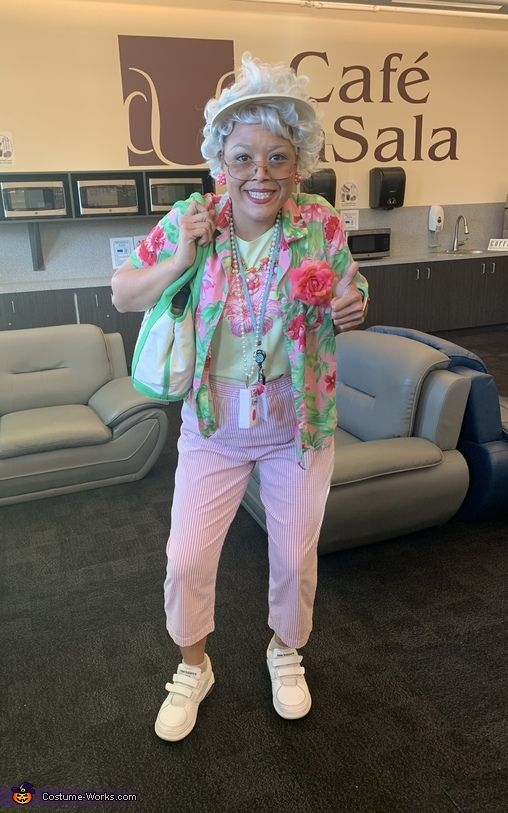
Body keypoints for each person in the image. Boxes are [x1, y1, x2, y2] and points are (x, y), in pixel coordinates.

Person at [111, 52, 369, 742]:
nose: (261, 173)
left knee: (293, 555)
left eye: (278, 157)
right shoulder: (195, 219)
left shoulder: (318, 221)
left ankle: (285, 648)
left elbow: (352, 284)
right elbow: (123, 292)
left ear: (299, 163)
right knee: (188, 556)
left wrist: (352, 302)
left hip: (299, 423)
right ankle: (194, 663)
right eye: (244, 157)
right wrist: (180, 260)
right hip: (213, 422)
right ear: (220, 161)